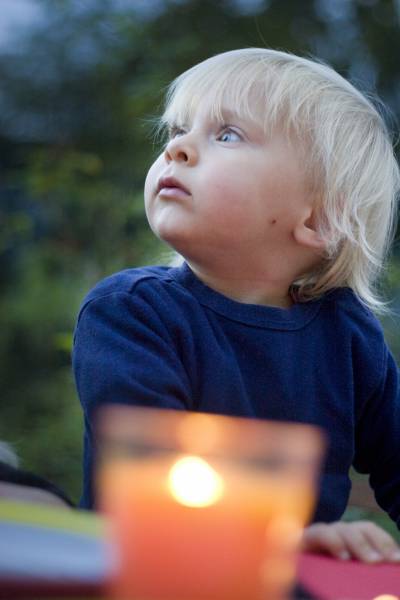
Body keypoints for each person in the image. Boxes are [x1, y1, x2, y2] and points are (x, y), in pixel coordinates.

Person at [73, 48, 400, 563]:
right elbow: (155, 476)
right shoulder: (131, 314)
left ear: (318, 221)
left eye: (227, 135)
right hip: (147, 576)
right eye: (177, 130)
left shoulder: (348, 334)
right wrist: (277, 542)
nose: (178, 148)